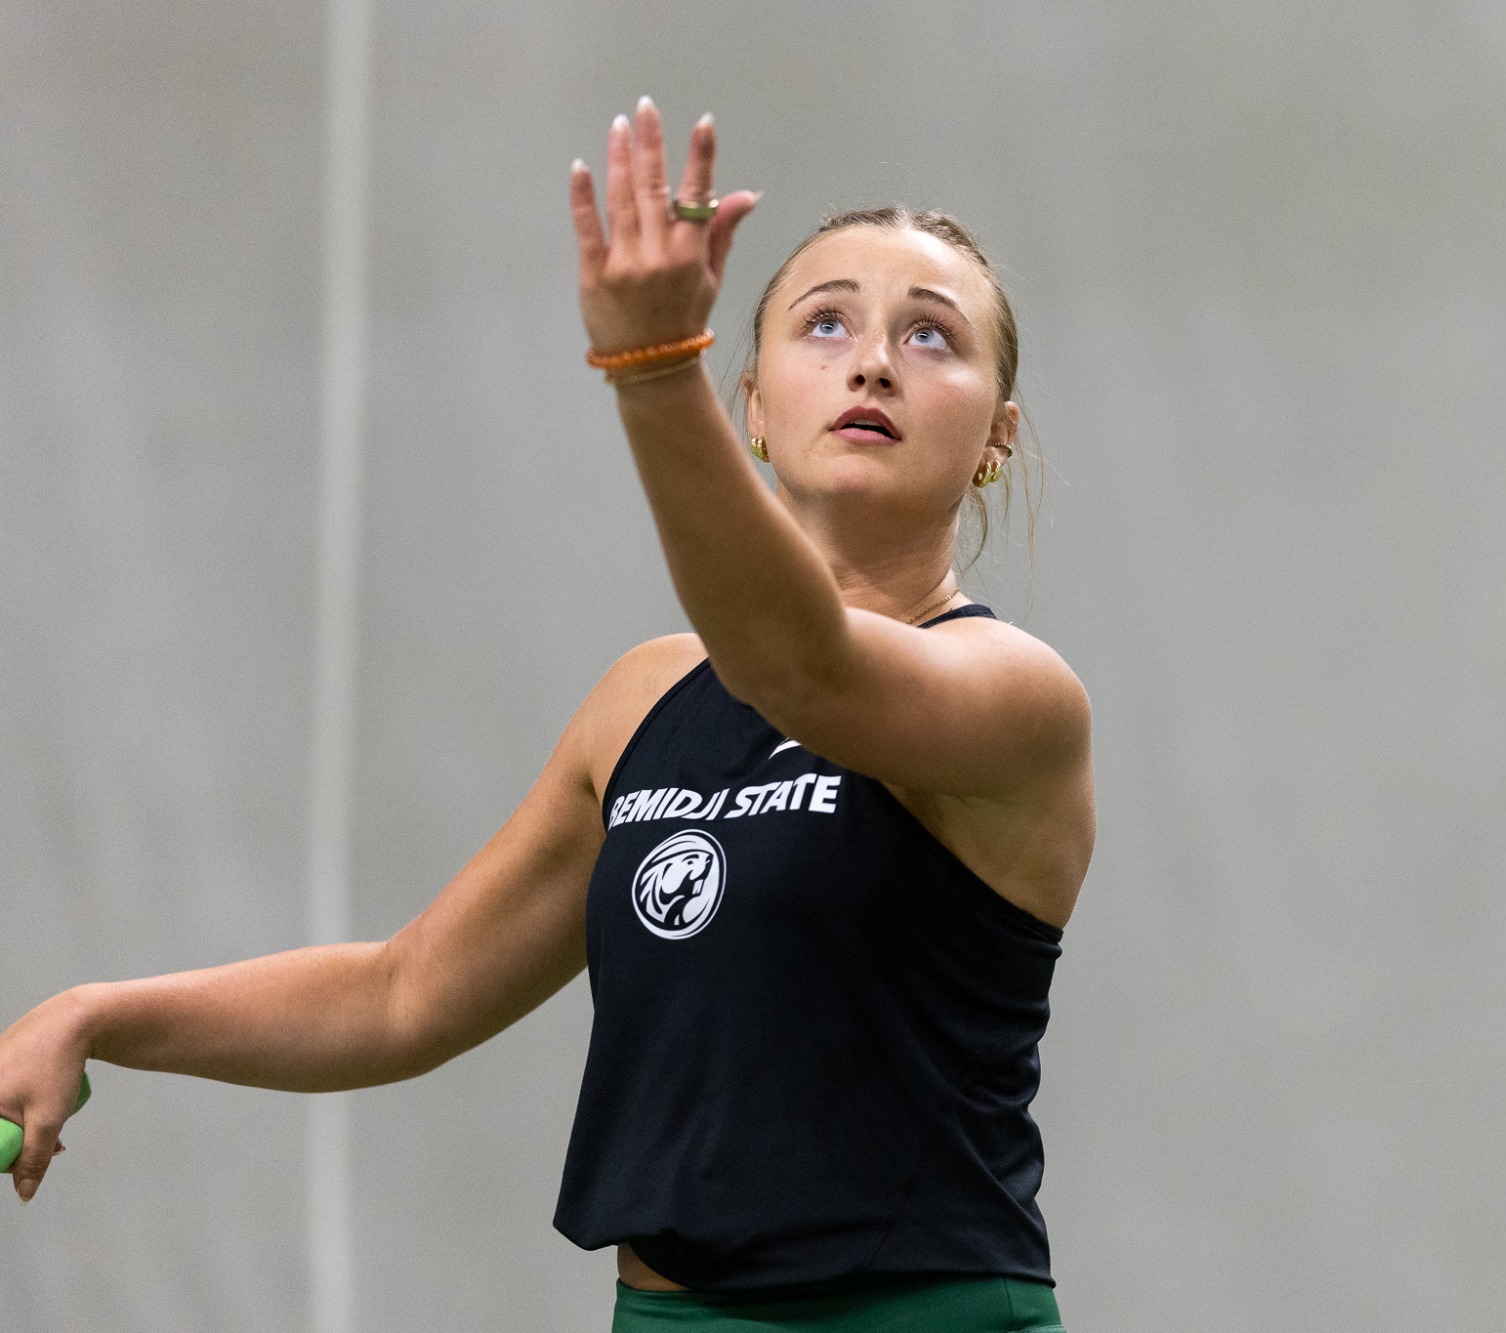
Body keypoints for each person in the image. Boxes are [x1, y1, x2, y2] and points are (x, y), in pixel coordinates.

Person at [0, 98, 1093, 1333]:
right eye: (823, 321)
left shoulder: (1017, 698)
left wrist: (647, 371)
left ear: (996, 440)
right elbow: (402, 993)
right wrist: (95, 1014)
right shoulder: (641, 701)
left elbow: (804, 669)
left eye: (931, 336)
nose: (872, 360)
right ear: (752, 403)